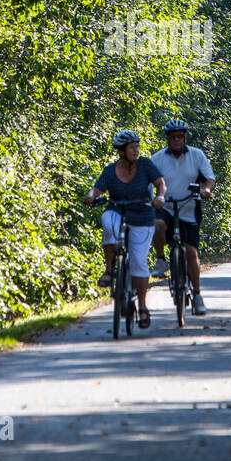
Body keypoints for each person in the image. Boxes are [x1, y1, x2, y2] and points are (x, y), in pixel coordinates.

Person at [84, 129, 167, 328]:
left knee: (139, 263)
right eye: (132, 147)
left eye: (137, 146)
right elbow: (98, 188)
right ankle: (109, 270)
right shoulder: (110, 170)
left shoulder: (146, 165)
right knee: (109, 224)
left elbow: (160, 184)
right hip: (117, 210)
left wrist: (160, 196)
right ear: (122, 150)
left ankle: (143, 307)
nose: (136, 150)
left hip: (142, 214)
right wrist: (91, 196)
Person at [150, 119, 216, 316]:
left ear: (185, 137)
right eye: (172, 137)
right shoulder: (158, 158)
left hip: (188, 206)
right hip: (167, 206)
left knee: (190, 252)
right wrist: (152, 199)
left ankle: (197, 295)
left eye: (180, 136)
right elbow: (149, 181)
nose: (176, 140)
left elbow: (209, 178)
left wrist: (206, 190)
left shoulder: (197, 155)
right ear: (167, 139)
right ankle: (161, 259)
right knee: (158, 224)